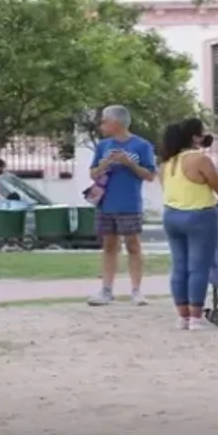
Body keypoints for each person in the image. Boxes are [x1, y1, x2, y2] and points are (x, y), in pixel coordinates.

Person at [160, 118, 218, 330]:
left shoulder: (166, 163)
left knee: (179, 267)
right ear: (195, 137)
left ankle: (182, 317)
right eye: (202, 132)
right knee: (199, 267)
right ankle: (196, 317)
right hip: (199, 216)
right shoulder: (200, 160)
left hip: (171, 216)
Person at [87, 105, 158, 306]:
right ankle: (106, 290)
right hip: (106, 203)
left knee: (133, 245)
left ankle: (136, 290)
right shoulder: (103, 146)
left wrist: (130, 164)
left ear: (115, 123)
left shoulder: (142, 146)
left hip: (129, 202)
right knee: (109, 245)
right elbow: (93, 174)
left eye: (104, 122)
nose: (101, 126)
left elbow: (150, 175)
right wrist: (105, 164)